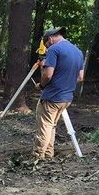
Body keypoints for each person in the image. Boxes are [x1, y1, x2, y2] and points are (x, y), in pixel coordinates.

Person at [32, 26, 84, 160]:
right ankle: (48, 154)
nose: (47, 48)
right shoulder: (78, 51)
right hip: (66, 98)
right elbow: (80, 77)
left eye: (47, 45)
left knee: (44, 127)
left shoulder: (54, 49)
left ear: (50, 39)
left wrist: (41, 85)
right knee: (51, 126)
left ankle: (38, 157)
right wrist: (65, 83)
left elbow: (48, 75)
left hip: (52, 97)